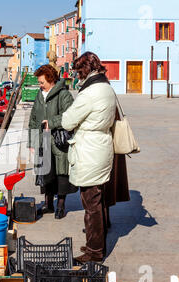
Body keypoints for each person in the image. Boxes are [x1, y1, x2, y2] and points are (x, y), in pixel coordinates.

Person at [61, 52, 119, 263]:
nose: (76, 77)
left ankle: (94, 252)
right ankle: (97, 242)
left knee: (91, 204)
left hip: (89, 151)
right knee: (99, 199)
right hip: (102, 147)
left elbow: (68, 121)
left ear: (85, 70)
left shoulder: (89, 93)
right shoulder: (107, 88)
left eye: (78, 72)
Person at [28, 64, 78, 220]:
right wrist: (32, 141)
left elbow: (70, 116)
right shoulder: (39, 95)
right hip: (43, 140)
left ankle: (61, 206)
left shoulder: (64, 95)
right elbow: (33, 119)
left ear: (50, 79)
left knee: (61, 174)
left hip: (58, 141)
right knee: (46, 174)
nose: (39, 85)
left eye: (41, 82)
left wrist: (52, 122)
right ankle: (48, 204)